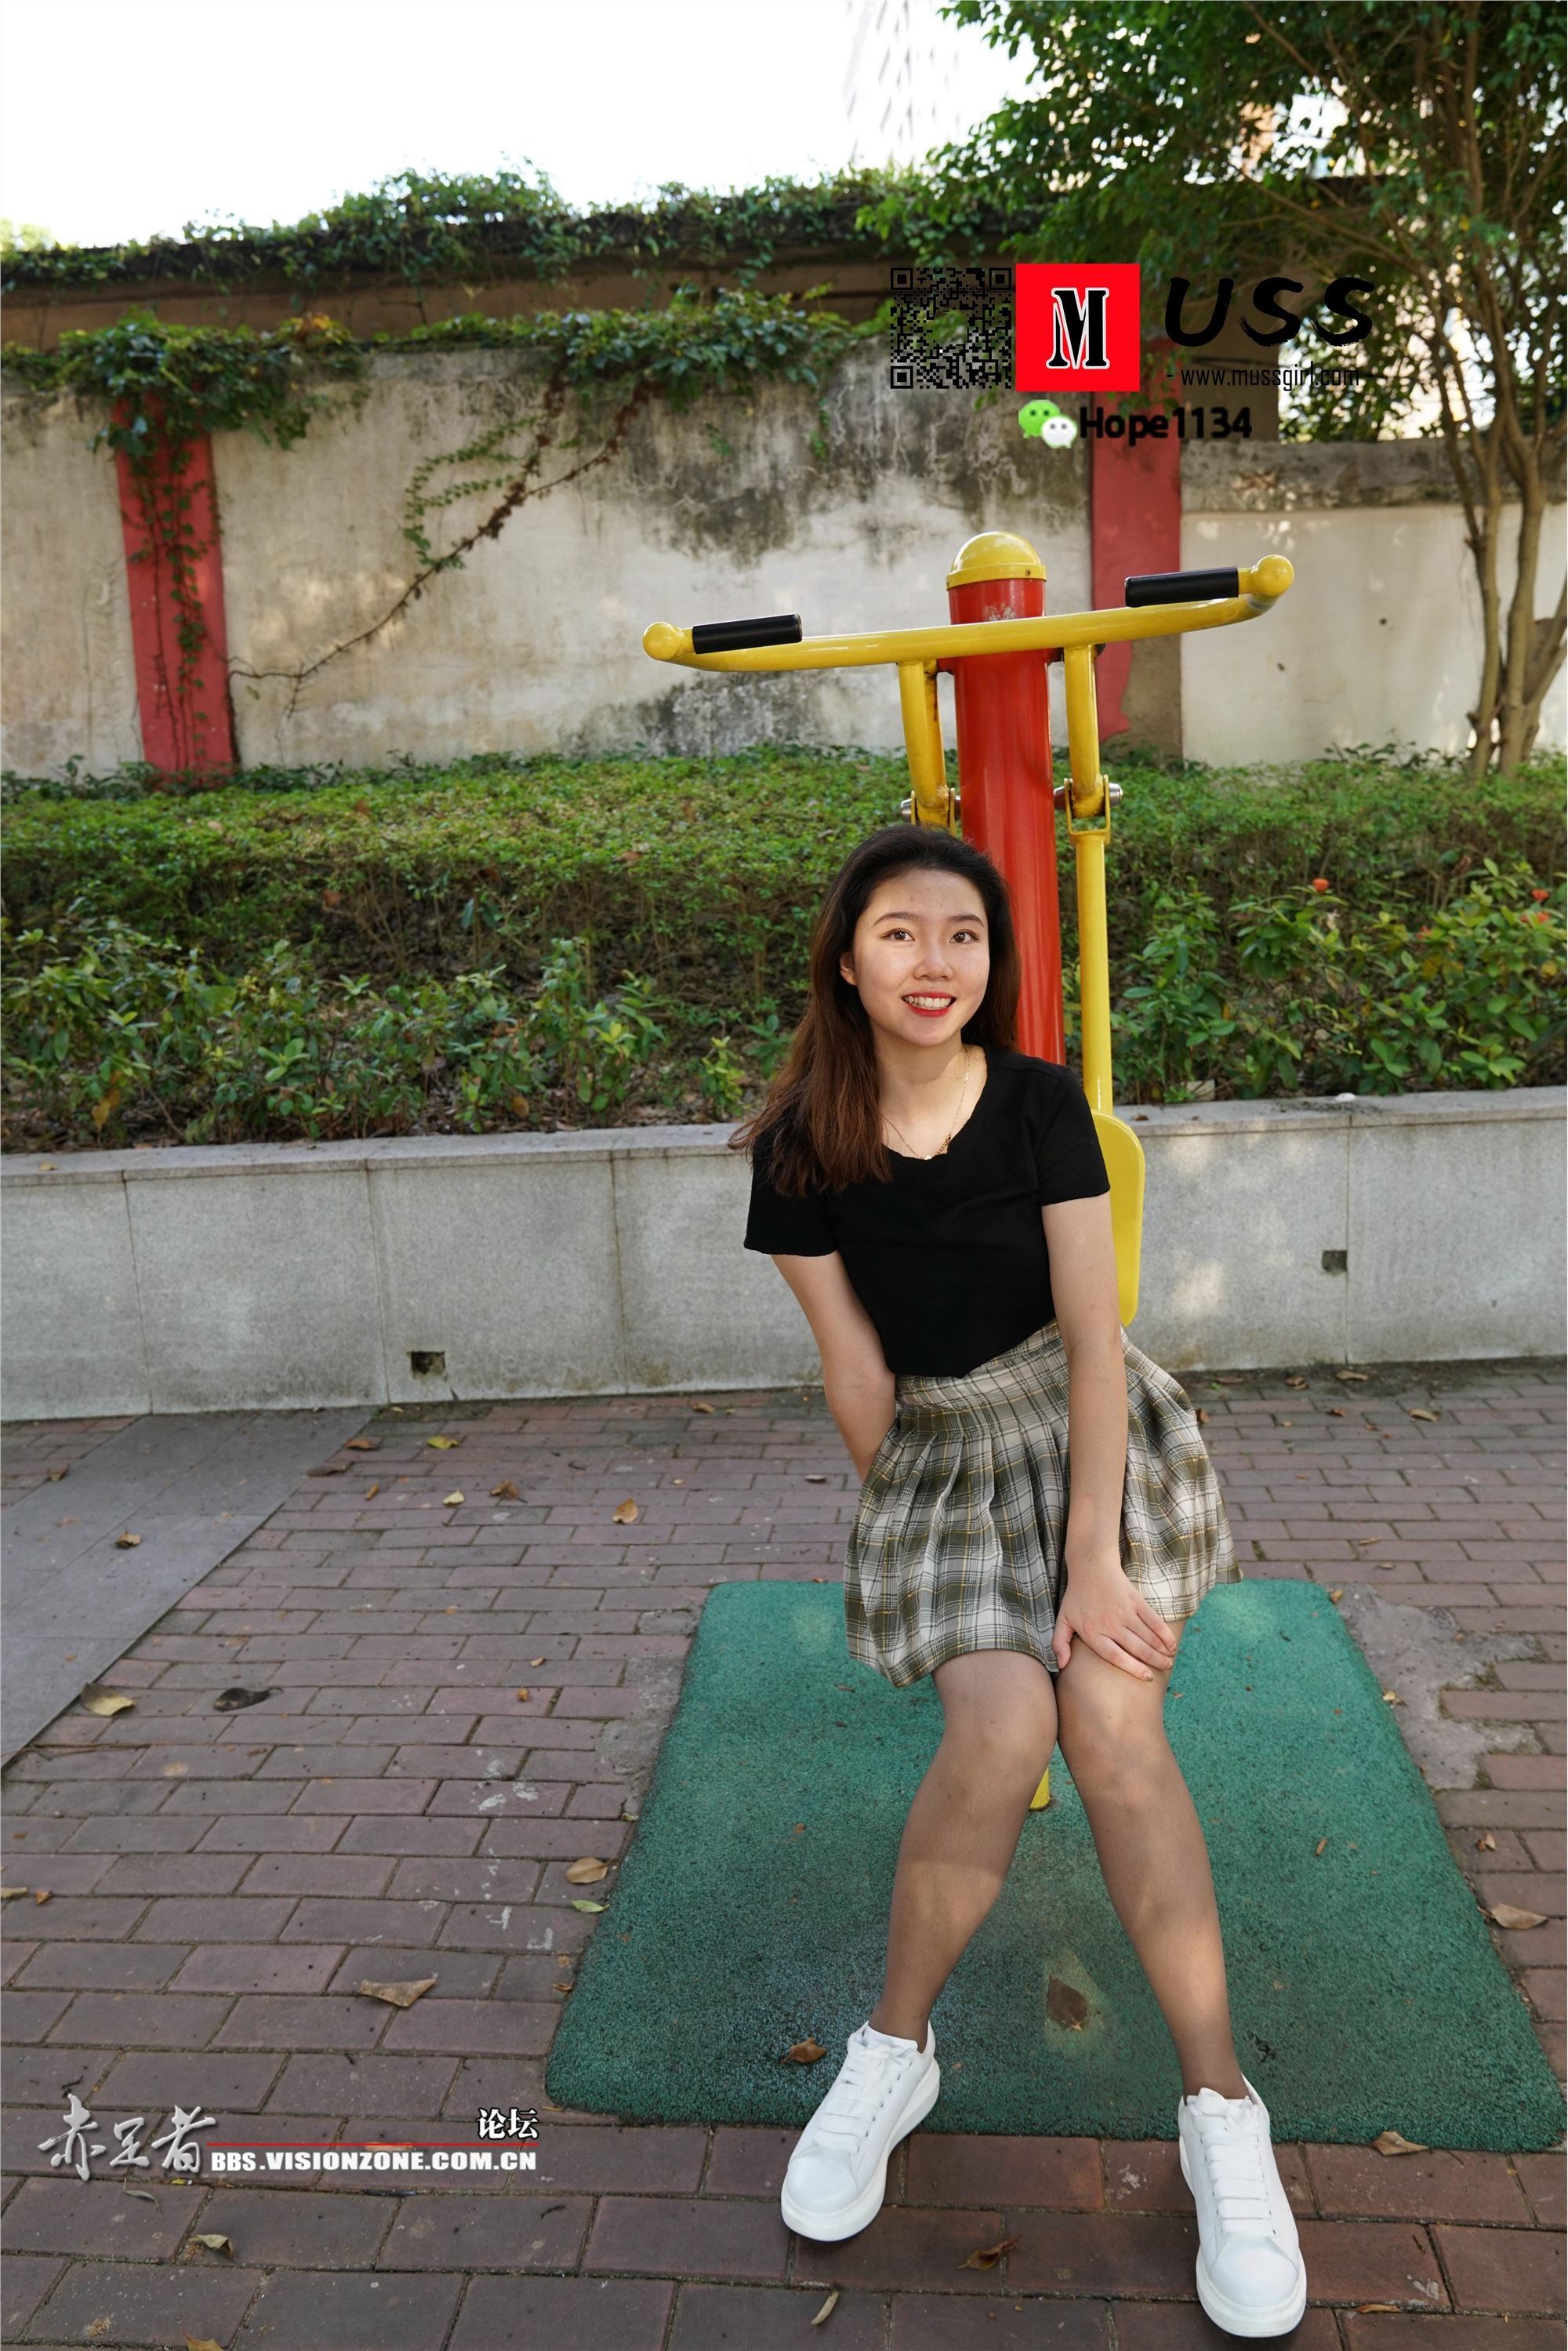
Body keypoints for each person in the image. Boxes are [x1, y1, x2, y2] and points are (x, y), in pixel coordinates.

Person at [733, 823, 1308, 2340]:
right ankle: (892, 2057)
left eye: (966, 937)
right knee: (997, 1729)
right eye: (907, 934)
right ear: (847, 956)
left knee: (1113, 1732)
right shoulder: (798, 1144)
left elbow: (1096, 1332)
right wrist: (914, 1538)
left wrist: (1091, 1554)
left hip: (1088, 1434)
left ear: (993, 962)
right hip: (940, 1462)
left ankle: (1220, 2110)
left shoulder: (1045, 1105)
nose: (939, 963)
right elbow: (855, 1367)